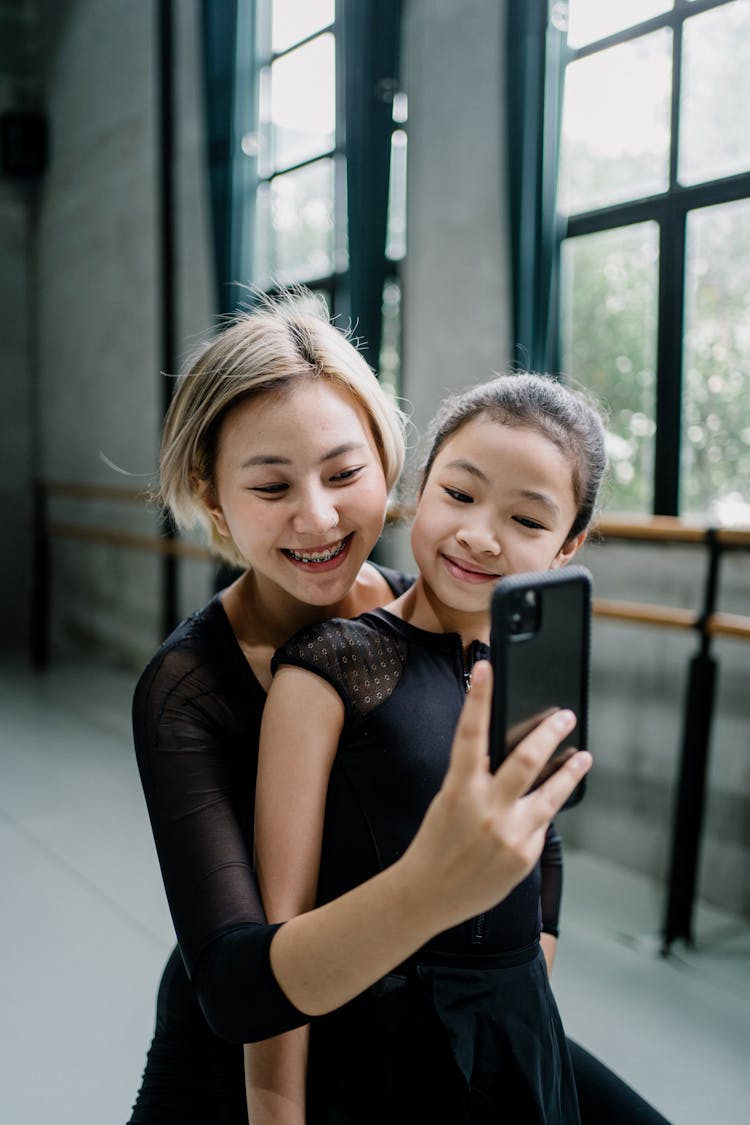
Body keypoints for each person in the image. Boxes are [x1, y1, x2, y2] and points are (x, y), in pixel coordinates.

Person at [130, 294, 668, 1124]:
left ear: (391, 465)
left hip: (427, 1016)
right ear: (210, 494)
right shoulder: (187, 689)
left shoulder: (432, 607)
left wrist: (505, 1006)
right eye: (271, 485)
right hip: (246, 1033)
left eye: (345, 474)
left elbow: (532, 838)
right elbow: (240, 985)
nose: (318, 516)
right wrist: (433, 888)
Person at [248, 372, 605, 1123]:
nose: (480, 534)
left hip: (516, 1035)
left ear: (568, 544)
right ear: (418, 489)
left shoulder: (531, 671)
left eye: (528, 519)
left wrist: (526, 969)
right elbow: (277, 941)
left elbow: (542, 838)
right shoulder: (330, 666)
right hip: (381, 1037)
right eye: (461, 494)